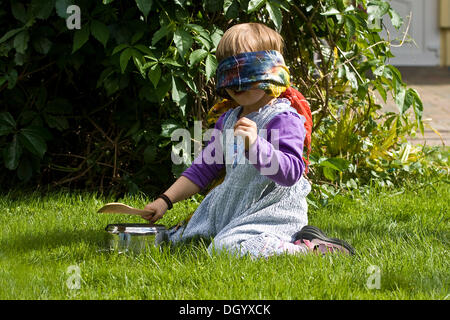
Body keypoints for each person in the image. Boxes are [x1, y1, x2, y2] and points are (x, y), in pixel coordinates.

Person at [142, 23, 355, 258]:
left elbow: (292, 173)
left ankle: (308, 250)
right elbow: (203, 168)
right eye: (228, 73)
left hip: (271, 213)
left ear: (272, 70)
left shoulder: (284, 118)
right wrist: (165, 200)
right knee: (170, 240)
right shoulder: (229, 119)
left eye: (246, 71)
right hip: (231, 208)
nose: (237, 82)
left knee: (224, 249)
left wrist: (255, 146)